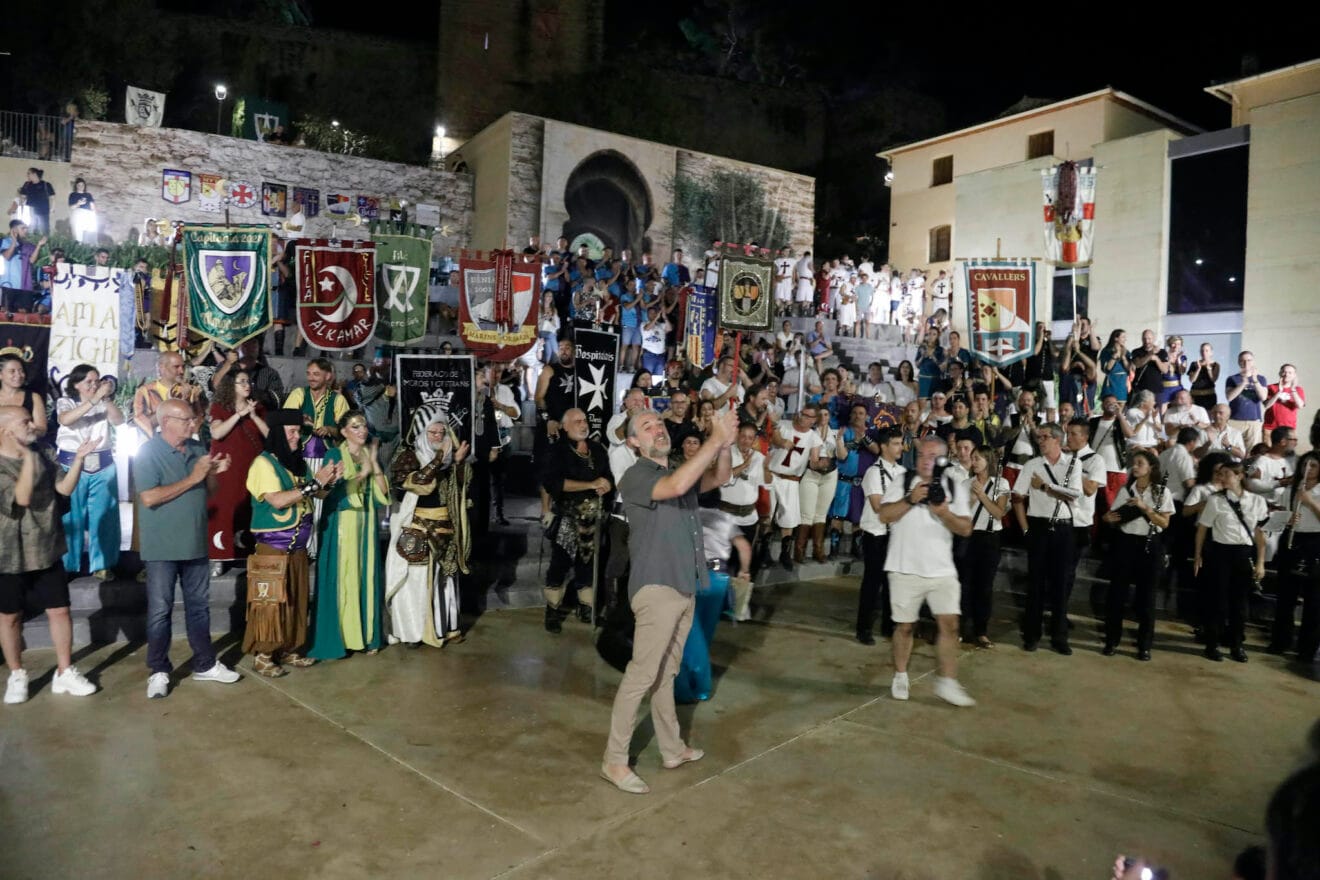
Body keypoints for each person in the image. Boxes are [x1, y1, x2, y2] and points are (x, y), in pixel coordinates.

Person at [600, 406, 735, 794]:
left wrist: (724, 444)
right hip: (657, 588)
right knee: (642, 675)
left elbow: (720, 476)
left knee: (665, 675)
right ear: (633, 442)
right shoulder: (636, 475)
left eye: (659, 423)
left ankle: (672, 749)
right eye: (647, 426)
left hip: (683, 586)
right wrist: (713, 438)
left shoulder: (674, 470)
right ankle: (614, 760)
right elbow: (677, 488)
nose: (657, 428)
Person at [136, 400, 241, 698]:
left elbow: (209, 492)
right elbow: (149, 498)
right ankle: (158, 670)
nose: (193, 423)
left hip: (195, 542)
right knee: (160, 610)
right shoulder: (148, 453)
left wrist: (211, 474)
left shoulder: (197, 450)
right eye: (186, 419)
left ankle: (205, 663)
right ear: (166, 421)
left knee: (199, 607)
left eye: (193, 419)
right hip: (162, 547)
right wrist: (193, 477)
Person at [0, 407, 98, 705]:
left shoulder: (43, 451)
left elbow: (64, 488)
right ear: (5, 430)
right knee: (10, 617)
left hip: (46, 545)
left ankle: (64, 671)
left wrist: (79, 459)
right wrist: (27, 458)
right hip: (9, 552)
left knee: (60, 610)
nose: (32, 424)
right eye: (24, 421)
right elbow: (22, 498)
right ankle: (17, 673)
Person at [878, 436, 976, 706]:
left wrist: (944, 513)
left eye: (933, 457)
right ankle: (900, 674)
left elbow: (966, 529)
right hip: (903, 567)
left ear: (943, 461)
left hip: (941, 569)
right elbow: (884, 515)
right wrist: (910, 499)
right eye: (922, 455)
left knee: (950, 624)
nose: (926, 460)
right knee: (905, 626)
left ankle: (948, 682)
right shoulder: (901, 480)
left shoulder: (954, 488)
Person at [243, 410, 340, 677]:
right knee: (269, 603)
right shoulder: (263, 464)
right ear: (277, 435)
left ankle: (290, 649)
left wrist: (331, 479)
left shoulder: (295, 462)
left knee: (296, 600)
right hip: (273, 547)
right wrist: (313, 485)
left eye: (298, 432)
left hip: (298, 546)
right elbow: (277, 500)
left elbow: (318, 491)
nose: (298, 437)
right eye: (292, 433)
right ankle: (264, 655)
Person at [307, 411, 389, 660]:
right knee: (342, 578)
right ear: (343, 432)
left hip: (366, 524)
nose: (362, 430)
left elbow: (384, 491)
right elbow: (321, 494)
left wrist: (373, 461)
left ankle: (367, 636)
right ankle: (341, 638)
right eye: (355, 426)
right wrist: (359, 473)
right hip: (341, 524)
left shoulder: (367, 454)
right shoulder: (333, 454)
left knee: (365, 576)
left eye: (363, 425)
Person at [386, 414, 472, 648]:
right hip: (418, 529)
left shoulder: (448, 459)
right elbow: (419, 484)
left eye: (441, 433)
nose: (438, 437)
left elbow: (461, 487)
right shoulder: (409, 456)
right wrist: (439, 459)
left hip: (446, 528)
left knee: (444, 582)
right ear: (423, 433)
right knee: (415, 582)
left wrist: (458, 463)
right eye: (433, 433)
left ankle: (444, 629)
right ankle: (414, 633)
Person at [1012, 423, 1083, 653]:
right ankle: (1032, 634)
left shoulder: (1073, 464)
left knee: (1060, 584)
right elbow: (1018, 497)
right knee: (1036, 583)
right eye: (1039, 437)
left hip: (1063, 528)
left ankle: (1059, 636)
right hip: (1038, 526)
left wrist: (1044, 486)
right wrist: (1025, 530)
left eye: (1045, 437)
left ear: (1057, 440)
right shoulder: (1032, 464)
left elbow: (1073, 495)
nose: (1040, 440)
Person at [1101, 450, 1175, 660]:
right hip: (1126, 543)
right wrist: (1108, 518)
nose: (1135, 467)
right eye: (1134, 463)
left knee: (1147, 598)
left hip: (1150, 544)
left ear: (1151, 467)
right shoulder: (1126, 490)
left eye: (1140, 463)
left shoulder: (1161, 492)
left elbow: (1164, 523)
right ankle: (1111, 640)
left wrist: (1145, 508)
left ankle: (1144, 645)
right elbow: (1114, 515)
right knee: (1116, 594)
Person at [542, 408, 612, 632]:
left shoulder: (597, 449)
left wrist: (607, 484)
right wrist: (591, 485)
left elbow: (608, 475)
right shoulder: (557, 451)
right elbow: (554, 484)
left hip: (595, 518)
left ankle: (586, 608)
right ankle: (552, 610)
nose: (583, 425)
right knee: (559, 565)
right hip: (568, 518)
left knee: (588, 565)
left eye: (584, 421)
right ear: (565, 426)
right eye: (577, 421)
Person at [56, 365, 124, 582]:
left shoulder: (103, 402)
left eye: (97, 381)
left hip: (102, 463)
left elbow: (119, 420)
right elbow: (66, 419)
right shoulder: (65, 401)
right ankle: (68, 564)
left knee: (104, 515)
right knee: (71, 516)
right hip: (71, 464)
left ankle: (103, 564)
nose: (94, 385)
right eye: (89, 382)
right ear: (76, 384)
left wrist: (105, 399)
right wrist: (93, 400)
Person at [1195, 459, 1268, 662]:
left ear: (1239, 476)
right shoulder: (1215, 500)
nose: (1222, 478)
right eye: (1221, 474)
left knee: (1240, 604)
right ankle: (1212, 644)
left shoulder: (1256, 501)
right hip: (1220, 553)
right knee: (1218, 601)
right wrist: (1198, 554)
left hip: (1244, 553)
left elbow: (1261, 534)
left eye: (1227, 474)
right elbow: (1203, 528)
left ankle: (1237, 645)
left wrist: (1261, 561)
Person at [206, 370, 269, 574]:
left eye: (248, 380)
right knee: (225, 508)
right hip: (228, 466)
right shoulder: (220, 407)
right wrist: (238, 415)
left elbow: (269, 434)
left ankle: (246, 552)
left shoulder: (257, 407)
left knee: (248, 506)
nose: (246, 384)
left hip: (252, 466)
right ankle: (218, 555)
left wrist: (252, 415)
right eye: (241, 381)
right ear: (230, 386)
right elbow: (217, 432)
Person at [1268, 452, 1319, 659]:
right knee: (1285, 596)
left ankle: (1306, 648)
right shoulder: (1290, 490)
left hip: (1315, 542)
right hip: (1292, 540)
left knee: (1314, 599)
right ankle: (1280, 641)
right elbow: (1276, 517)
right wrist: (1285, 520)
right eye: (1305, 464)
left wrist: (1309, 502)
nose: (1308, 468)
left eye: (1314, 465)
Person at [857, 428, 904, 644]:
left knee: (892, 583)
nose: (900, 447)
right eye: (896, 443)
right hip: (875, 534)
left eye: (900, 443)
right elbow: (878, 506)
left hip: (894, 534)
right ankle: (863, 628)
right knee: (872, 583)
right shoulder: (873, 472)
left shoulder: (902, 472)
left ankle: (888, 625)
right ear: (884, 446)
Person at [768, 402, 823, 568]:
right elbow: (775, 439)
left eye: (807, 416)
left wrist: (820, 464)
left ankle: (785, 553)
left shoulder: (814, 437)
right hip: (772, 475)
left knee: (789, 519)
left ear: (814, 420)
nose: (802, 417)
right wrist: (782, 441)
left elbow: (814, 462)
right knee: (766, 515)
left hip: (791, 480)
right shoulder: (784, 426)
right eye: (802, 413)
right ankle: (763, 551)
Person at [534, 338, 577, 524]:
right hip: (550, 426)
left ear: (574, 350)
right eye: (561, 347)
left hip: (571, 428)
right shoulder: (550, 370)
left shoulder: (580, 372)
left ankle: (564, 508)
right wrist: (548, 418)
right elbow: (538, 398)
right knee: (547, 468)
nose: (564, 350)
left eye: (567, 347)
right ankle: (545, 511)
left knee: (568, 468)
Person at [133, 351, 202, 436]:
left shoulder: (192, 391)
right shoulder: (145, 391)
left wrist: (187, 402)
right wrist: (171, 403)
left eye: (183, 367)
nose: (181, 371)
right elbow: (143, 423)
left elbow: (197, 424)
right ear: (162, 367)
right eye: (176, 367)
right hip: (157, 444)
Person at [1226, 350, 1271, 451]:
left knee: (1252, 451)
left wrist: (1254, 380)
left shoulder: (1261, 378)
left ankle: (1248, 466)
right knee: (1234, 449)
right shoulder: (1232, 378)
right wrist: (1243, 383)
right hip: (1234, 420)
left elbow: (1263, 397)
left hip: (1253, 421)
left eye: (1249, 360)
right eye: (1243, 361)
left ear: (1253, 362)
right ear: (1239, 362)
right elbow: (1229, 397)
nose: (1246, 363)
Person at [0, 354, 46, 438]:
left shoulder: (34, 397)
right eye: (12, 371)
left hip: (25, 447)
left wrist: (25, 432)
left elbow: (42, 429)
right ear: (0, 375)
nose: (18, 375)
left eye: (21, 371)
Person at [1264, 364, 1306, 436]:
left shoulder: (1298, 390)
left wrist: (1293, 389)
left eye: (1290, 373)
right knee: (1268, 447)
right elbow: (1266, 405)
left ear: (1294, 375)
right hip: (1270, 427)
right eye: (1284, 372)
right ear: (1280, 373)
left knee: (1288, 447)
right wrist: (1278, 392)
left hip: (1289, 428)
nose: (1286, 374)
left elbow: (1300, 406)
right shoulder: (1270, 387)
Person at [1099, 329, 1132, 405]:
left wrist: (1123, 357)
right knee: (1110, 405)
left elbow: (1129, 369)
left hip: (1122, 382)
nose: (1125, 339)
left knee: (1121, 406)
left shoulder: (1127, 352)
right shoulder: (1106, 351)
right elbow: (1106, 368)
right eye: (1123, 337)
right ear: (1116, 338)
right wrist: (1114, 356)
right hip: (1111, 381)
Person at [18, 168, 55, 235]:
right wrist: (22, 208)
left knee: (44, 230)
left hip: (43, 211)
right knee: (30, 230)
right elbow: (23, 197)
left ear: (34, 174)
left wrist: (52, 209)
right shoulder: (27, 184)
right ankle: (30, 244)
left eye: (29, 173)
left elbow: (52, 198)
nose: (27, 175)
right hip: (30, 211)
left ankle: (43, 243)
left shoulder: (46, 184)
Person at [1188, 342, 1220, 411]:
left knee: (1208, 418)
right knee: (1194, 416)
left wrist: (1209, 369)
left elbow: (1213, 380)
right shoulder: (1194, 364)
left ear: (1211, 352)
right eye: (1202, 350)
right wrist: (1198, 369)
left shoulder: (1216, 365)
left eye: (1206, 350)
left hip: (1209, 395)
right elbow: (1192, 380)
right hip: (1194, 395)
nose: (1204, 352)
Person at [68, 177, 96, 244]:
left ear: (84, 186)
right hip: (78, 214)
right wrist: (78, 203)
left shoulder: (88, 195)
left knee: (88, 233)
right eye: (79, 185)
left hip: (88, 215)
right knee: (78, 235)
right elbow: (71, 207)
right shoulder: (73, 195)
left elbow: (92, 206)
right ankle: (78, 247)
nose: (81, 187)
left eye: (82, 185)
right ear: (76, 186)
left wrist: (94, 214)